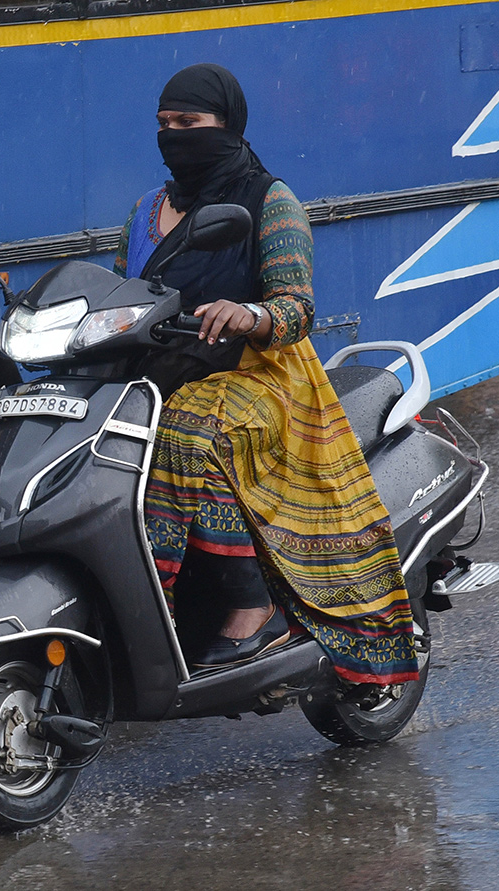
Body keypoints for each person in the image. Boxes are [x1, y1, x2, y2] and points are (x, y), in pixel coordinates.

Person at [114, 63, 419, 681]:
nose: (175, 136)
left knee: (191, 430)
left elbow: (297, 309)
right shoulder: (147, 211)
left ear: (227, 126)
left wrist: (247, 314)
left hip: (264, 374)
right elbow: (122, 295)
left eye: (189, 124)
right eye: (164, 125)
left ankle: (252, 604)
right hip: (169, 367)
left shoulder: (271, 202)